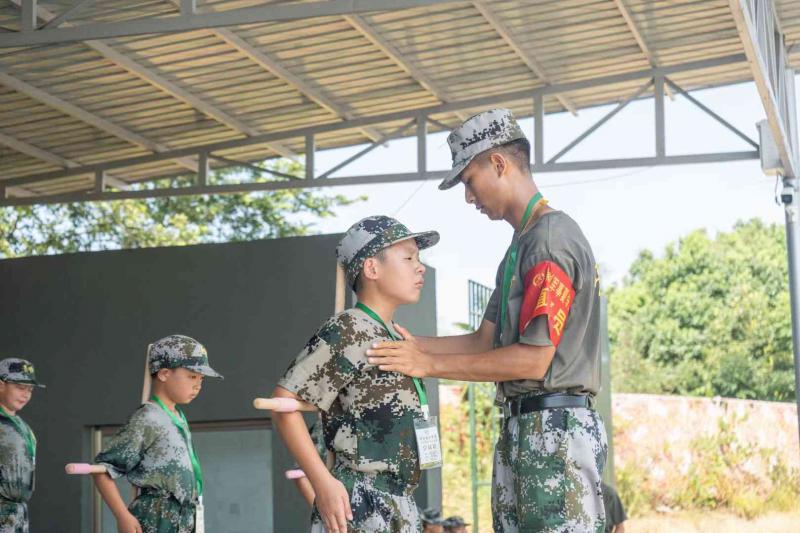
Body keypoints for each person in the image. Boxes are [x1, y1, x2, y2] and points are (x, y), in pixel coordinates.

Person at [366, 109, 607, 532]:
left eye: (469, 181)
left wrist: (427, 365)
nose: (468, 197)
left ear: (499, 164)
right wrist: (409, 347)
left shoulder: (550, 241)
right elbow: (483, 342)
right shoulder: (522, 245)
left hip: (556, 431)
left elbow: (533, 361)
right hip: (526, 426)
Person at [271, 215, 440, 533]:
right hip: (362, 500)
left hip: (400, 500)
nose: (420, 268)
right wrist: (322, 482)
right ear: (372, 269)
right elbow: (284, 403)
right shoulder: (348, 328)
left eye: (418, 259)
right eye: (408, 258)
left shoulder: (395, 336)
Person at [93, 335, 223, 533]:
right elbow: (103, 469)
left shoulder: (177, 416)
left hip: (184, 517)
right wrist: (122, 515)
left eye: (201, 379)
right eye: (191, 376)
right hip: (156, 517)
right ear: (164, 374)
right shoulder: (148, 418)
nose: (198, 385)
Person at [0, 358, 45, 533]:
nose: (26, 394)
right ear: (1, 385)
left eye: (30, 389)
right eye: (20, 387)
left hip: (18, 514)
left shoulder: (22, 426)